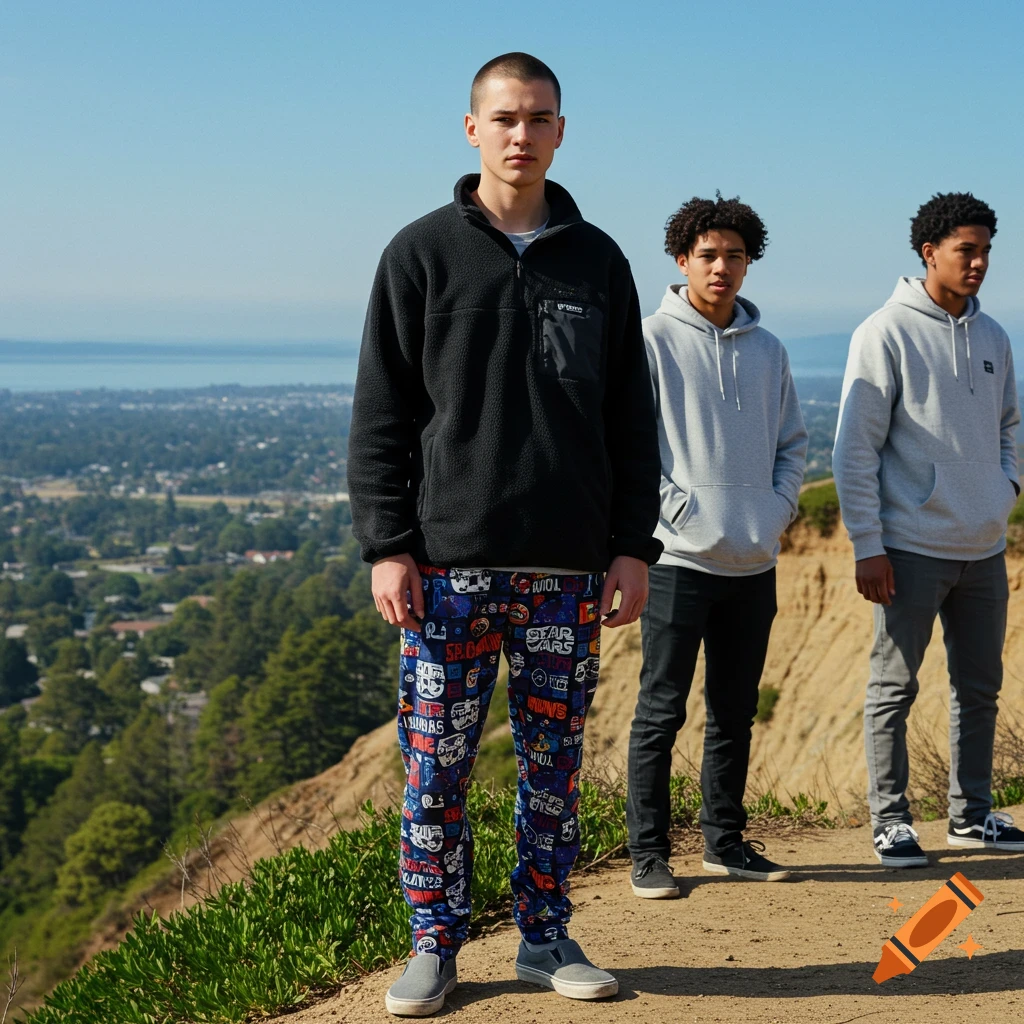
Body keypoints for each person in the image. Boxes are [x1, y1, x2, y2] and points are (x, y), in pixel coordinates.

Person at [347, 52, 661, 1016]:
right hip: (447, 568)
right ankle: (435, 946)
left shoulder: (598, 259)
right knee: (435, 767)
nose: (522, 134)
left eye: (540, 118)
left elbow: (629, 418)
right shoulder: (420, 253)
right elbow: (382, 412)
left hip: (567, 568)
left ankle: (544, 936)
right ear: (472, 129)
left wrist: (632, 545)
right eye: (506, 118)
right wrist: (387, 544)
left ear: (562, 132)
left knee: (554, 772)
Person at [833, 191, 1024, 868]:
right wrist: (868, 544)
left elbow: (1010, 429)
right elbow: (854, 450)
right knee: (894, 687)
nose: (978, 263)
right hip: (909, 550)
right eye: (965, 250)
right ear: (929, 253)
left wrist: (1004, 492)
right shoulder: (884, 332)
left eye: (986, 251)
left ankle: (971, 817)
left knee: (979, 688)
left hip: (984, 547)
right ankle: (891, 820)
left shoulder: (995, 336)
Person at [625, 195, 807, 898]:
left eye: (735, 255)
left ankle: (724, 843)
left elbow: (792, 444)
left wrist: (777, 508)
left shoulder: (771, 351)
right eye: (708, 255)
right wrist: (683, 514)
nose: (722, 267)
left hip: (754, 559)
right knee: (660, 710)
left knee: (733, 709)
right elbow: (633, 450)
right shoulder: (650, 340)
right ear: (681, 261)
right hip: (679, 558)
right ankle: (649, 854)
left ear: (749, 262)